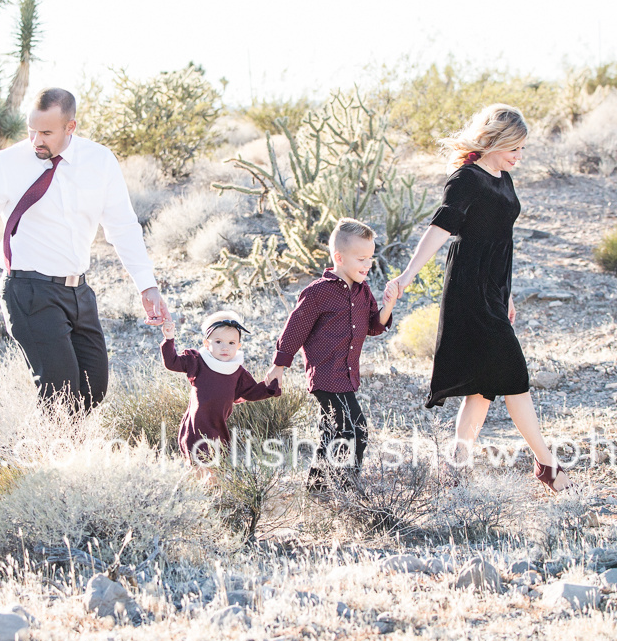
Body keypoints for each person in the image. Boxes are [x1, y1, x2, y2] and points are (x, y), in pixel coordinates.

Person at [0, 87, 168, 416]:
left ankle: (36, 451)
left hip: (79, 291)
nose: (36, 140)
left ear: (70, 127)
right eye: (31, 129)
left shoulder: (99, 161)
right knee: (59, 390)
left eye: (46, 132)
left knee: (93, 387)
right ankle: (41, 462)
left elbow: (123, 227)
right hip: (28, 290)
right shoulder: (7, 164)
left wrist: (147, 285)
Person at [387, 103, 571, 493]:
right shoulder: (467, 179)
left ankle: (452, 472)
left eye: (522, 150)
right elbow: (440, 230)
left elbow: (502, 239)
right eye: (515, 148)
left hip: (493, 290)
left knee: (483, 390)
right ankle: (548, 465)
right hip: (468, 289)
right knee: (515, 378)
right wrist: (406, 275)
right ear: (497, 140)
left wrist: (507, 293)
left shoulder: (503, 177)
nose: (519, 157)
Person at [265, 218, 397, 489]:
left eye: (370, 258)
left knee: (332, 431)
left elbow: (374, 326)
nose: (368, 265)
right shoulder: (317, 293)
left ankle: (317, 488)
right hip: (326, 375)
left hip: (347, 376)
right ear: (339, 257)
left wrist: (389, 304)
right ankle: (348, 488)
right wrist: (278, 367)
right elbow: (295, 330)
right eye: (361, 259)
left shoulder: (363, 292)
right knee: (354, 429)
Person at [160, 310, 281, 480]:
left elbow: (252, 392)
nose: (225, 347)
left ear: (238, 346)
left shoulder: (237, 371)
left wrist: (271, 386)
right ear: (207, 343)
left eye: (231, 343)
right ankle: (195, 495)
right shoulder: (198, 361)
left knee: (216, 463)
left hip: (218, 426)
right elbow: (172, 362)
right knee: (196, 463)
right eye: (218, 342)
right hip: (197, 424)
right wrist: (169, 339)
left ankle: (213, 493)